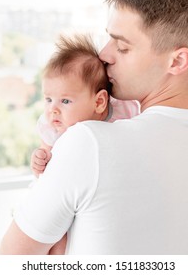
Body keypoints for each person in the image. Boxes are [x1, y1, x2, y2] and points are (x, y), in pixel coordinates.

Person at [0, 0, 188, 255]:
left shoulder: (89, 143)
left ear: (177, 61)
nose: (104, 54)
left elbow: (12, 257)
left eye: (123, 47)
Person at [29, 33, 140, 254]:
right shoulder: (52, 124)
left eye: (65, 101)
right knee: (57, 239)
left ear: (99, 101)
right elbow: (45, 157)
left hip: (100, 195)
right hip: (60, 193)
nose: (53, 109)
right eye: (48, 99)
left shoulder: (123, 111)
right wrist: (39, 159)